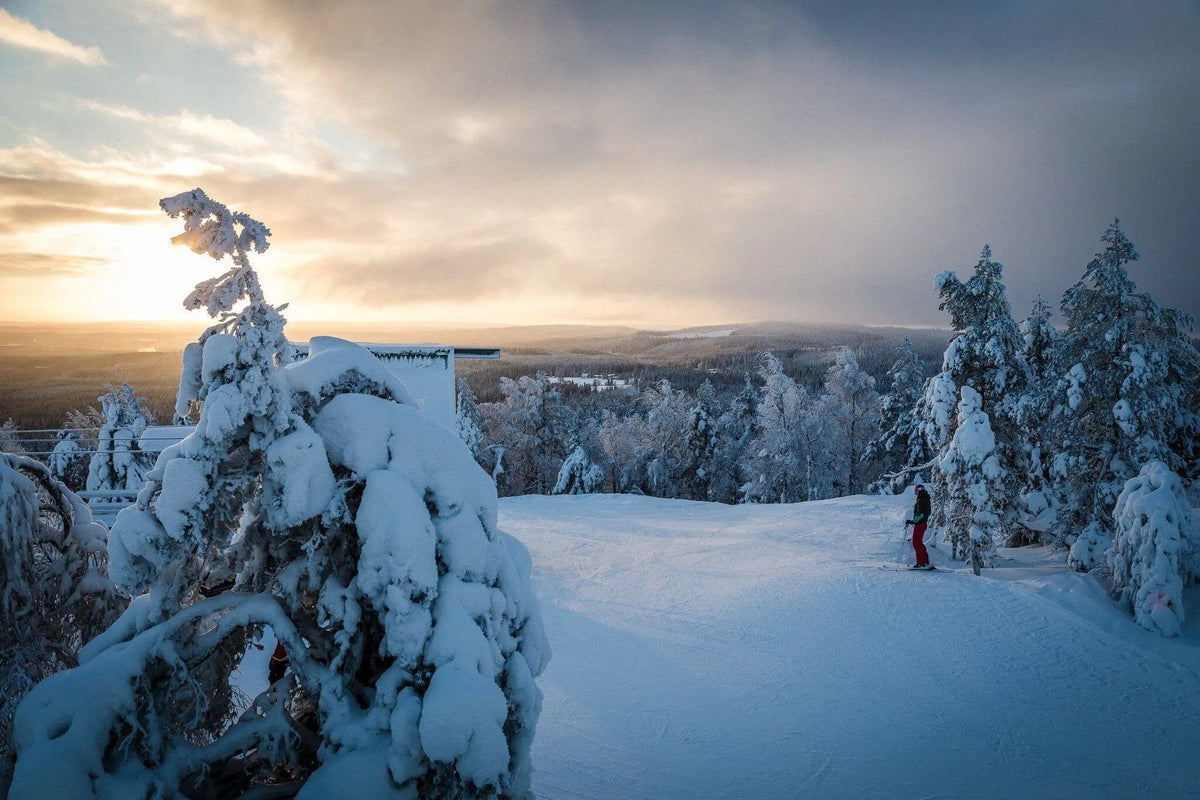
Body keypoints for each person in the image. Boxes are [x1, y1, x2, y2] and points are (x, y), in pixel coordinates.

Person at [905, 483, 932, 569]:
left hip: (920, 524)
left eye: (916, 491)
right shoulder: (926, 499)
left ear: (919, 490)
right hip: (923, 524)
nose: (915, 493)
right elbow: (928, 513)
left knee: (916, 543)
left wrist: (913, 521)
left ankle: (921, 563)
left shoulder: (920, 500)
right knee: (919, 543)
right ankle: (925, 562)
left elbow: (921, 514)